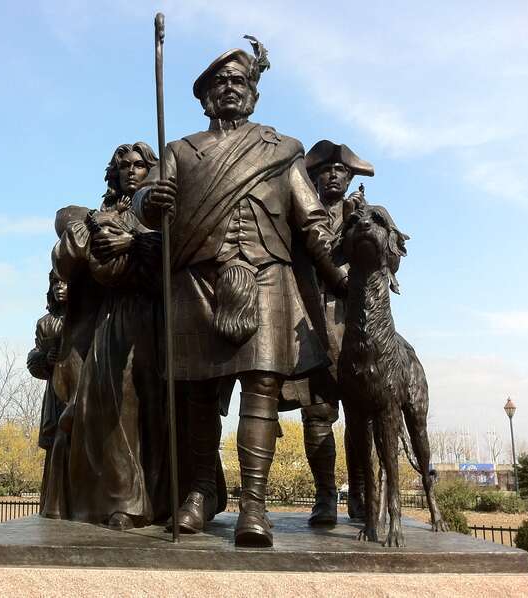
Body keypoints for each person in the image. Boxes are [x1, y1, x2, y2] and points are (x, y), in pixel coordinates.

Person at [133, 38, 348, 546]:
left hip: (266, 274)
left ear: (252, 95)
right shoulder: (180, 151)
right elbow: (145, 202)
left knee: (262, 390)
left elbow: (311, 218)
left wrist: (341, 266)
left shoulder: (281, 150)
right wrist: (151, 197)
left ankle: (255, 505)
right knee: (198, 394)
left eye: (239, 82)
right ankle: (200, 493)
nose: (230, 88)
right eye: (219, 83)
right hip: (197, 279)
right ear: (205, 98)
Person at [43, 142, 170, 529]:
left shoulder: (158, 210)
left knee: (160, 410)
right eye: (123, 166)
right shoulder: (98, 215)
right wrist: (79, 238)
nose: (130, 171)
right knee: (116, 407)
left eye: (139, 165)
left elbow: (176, 252)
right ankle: (124, 502)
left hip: (158, 314)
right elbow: (63, 268)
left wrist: (139, 241)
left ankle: (165, 499)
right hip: (113, 317)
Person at [281, 140, 374, 525]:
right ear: (314, 179)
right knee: (317, 415)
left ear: (350, 177)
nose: (332, 176)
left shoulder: (366, 215)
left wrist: (360, 227)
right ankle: (324, 496)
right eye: (324, 172)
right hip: (312, 330)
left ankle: (362, 494)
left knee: (360, 416)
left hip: (354, 329)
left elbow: (389, 265)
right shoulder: (298, 217)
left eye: (339, 171)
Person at [27, 271, 67, 513]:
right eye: (55, 283)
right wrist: (45, 359)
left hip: (82, 391)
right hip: (56, 394)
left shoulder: (85, 317)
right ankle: (53, 504)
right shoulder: (45, 323)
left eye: (65, 283)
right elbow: (34, 357)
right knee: (56, 446)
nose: (60, 288)